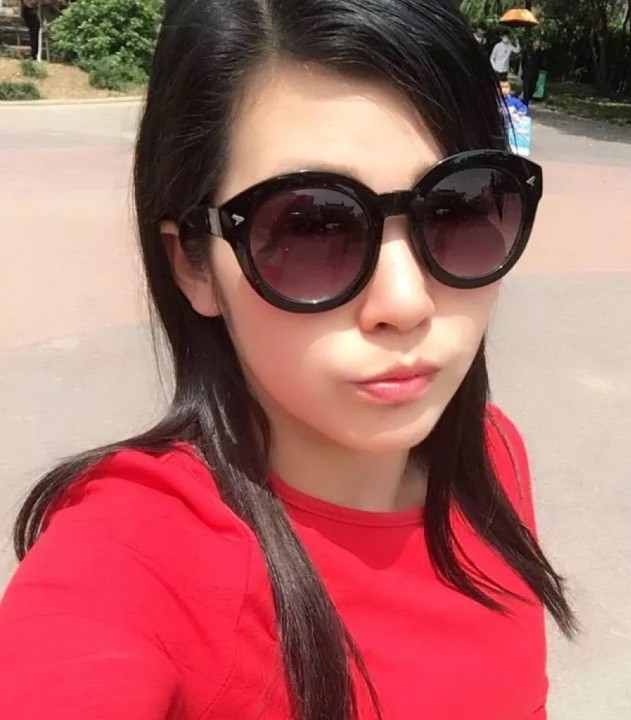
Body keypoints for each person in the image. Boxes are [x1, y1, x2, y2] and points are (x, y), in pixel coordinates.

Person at [0, 1, 576, 718]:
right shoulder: (136, 558)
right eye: (311, 227)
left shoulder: (492, 455)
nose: (405, 302)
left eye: (458, 207)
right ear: (193, 264)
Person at [522, 39, 544, 106]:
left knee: (532, 88)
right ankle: (525, 102)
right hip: (527, 72)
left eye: (538, 45)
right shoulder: (527, 51)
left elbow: (541, 63)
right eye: (535, 44)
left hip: (534, 73)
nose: (536, 46)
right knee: (526, 88)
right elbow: (523, 62)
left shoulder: (540, 53)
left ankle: (529, 98)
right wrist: (524, 71)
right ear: (533, 43)